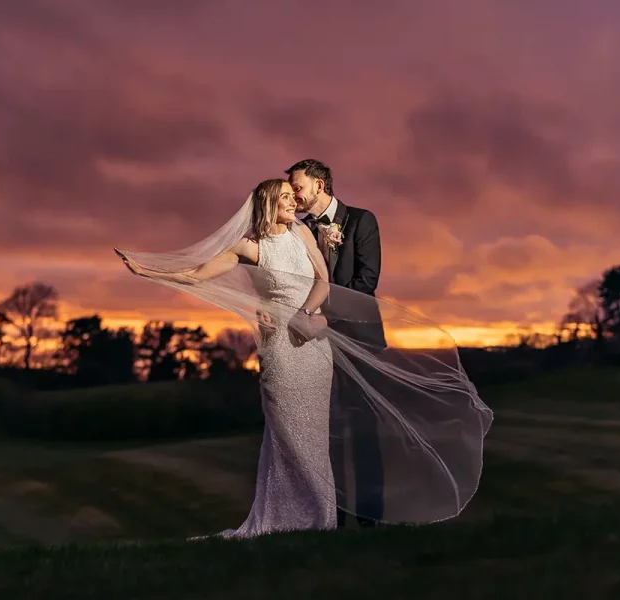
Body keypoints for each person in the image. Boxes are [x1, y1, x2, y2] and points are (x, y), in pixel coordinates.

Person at [115, 175, 493, 537]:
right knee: (287, 432)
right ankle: (293, 514)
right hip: (280, 347)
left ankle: (323, 517)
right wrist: (146, 271)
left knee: (317, 432)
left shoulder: (302, 232)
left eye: (293, 195)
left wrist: (306, 314)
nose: (293, 200)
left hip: (313, 345)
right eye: (284, 196)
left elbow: (321, 280)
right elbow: (198, 274)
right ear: (267, 203)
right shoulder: (248, 247)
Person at [286, 158, 385, 528]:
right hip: (312, 345)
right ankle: (334, 518)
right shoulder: (295, 229)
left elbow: (366, 283)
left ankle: (372, 520)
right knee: (328, 433)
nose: (293, 195)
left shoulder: (361, 221)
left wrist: (327, 319)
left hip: (359, 341)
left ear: (319, 186)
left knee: (364, 432)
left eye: (297, 187)